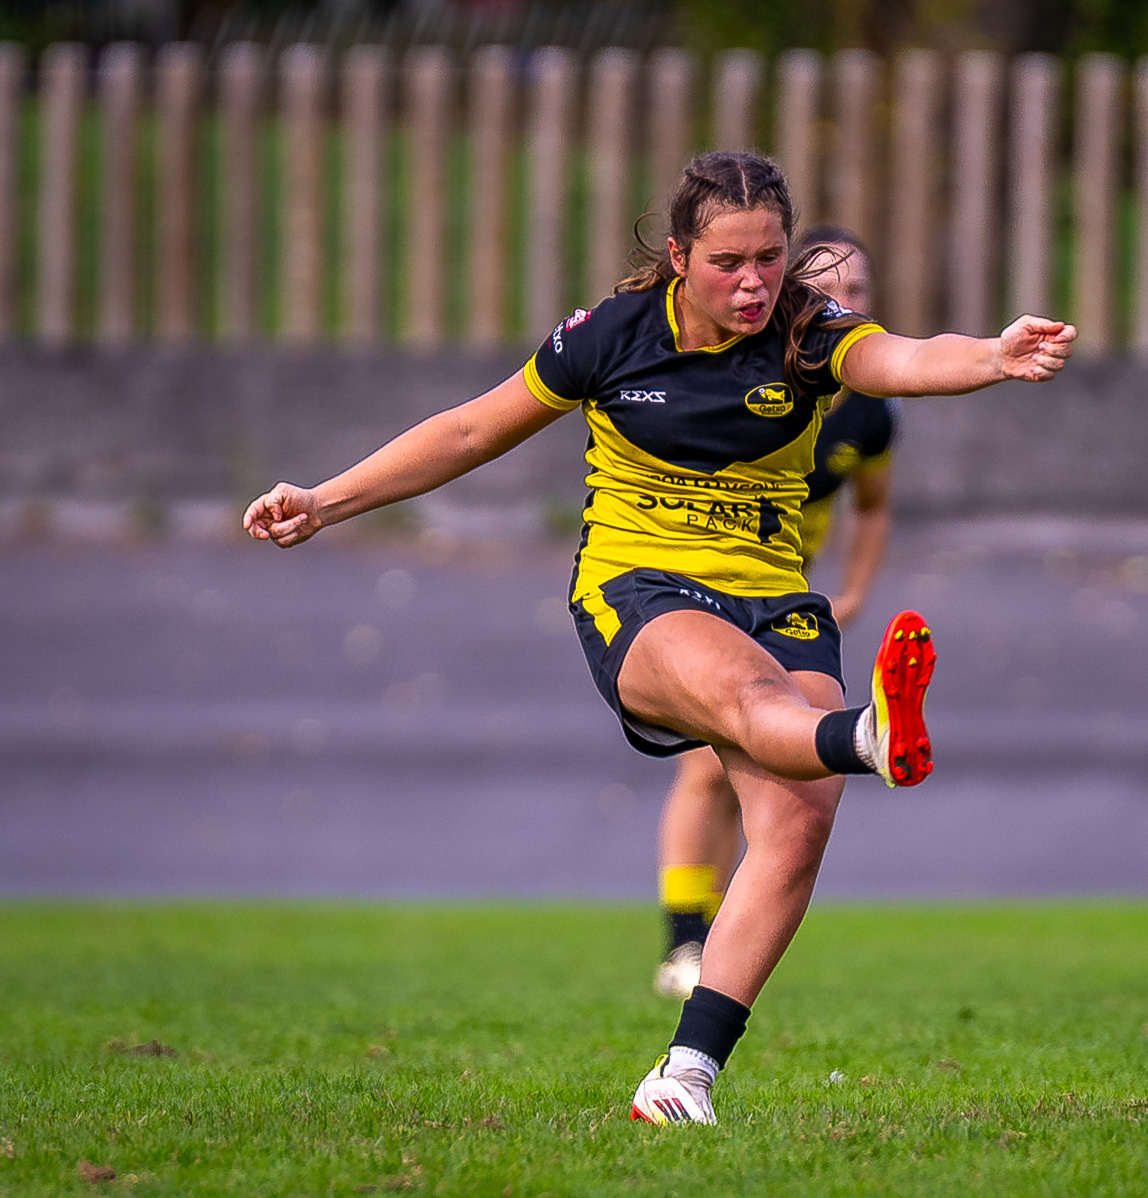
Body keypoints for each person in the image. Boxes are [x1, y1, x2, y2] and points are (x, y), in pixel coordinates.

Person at [242, 151, 1076, 1127]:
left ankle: (684, 1077)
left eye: (772, 256)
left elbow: (901, 360)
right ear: (680, 256)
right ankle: (867, 737)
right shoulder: (613, 335)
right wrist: (326, 499)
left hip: (774, 594)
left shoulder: (808, 330)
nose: (756, 281)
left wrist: (991, 354)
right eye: (730, 262)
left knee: (797, 823)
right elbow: (471, 431)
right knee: (756, 708)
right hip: (642, 592)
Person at [652, 224, 899, 1002]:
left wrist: (855, 588)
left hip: (784, 596)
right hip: (702, 587)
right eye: (829, 288)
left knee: (757, 771)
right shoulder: (754, 369)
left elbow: (874, 506)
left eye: (858, 291)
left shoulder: (868, 410)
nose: (844, 302)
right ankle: (683, 943)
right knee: (709, 763)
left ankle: (716, 932)